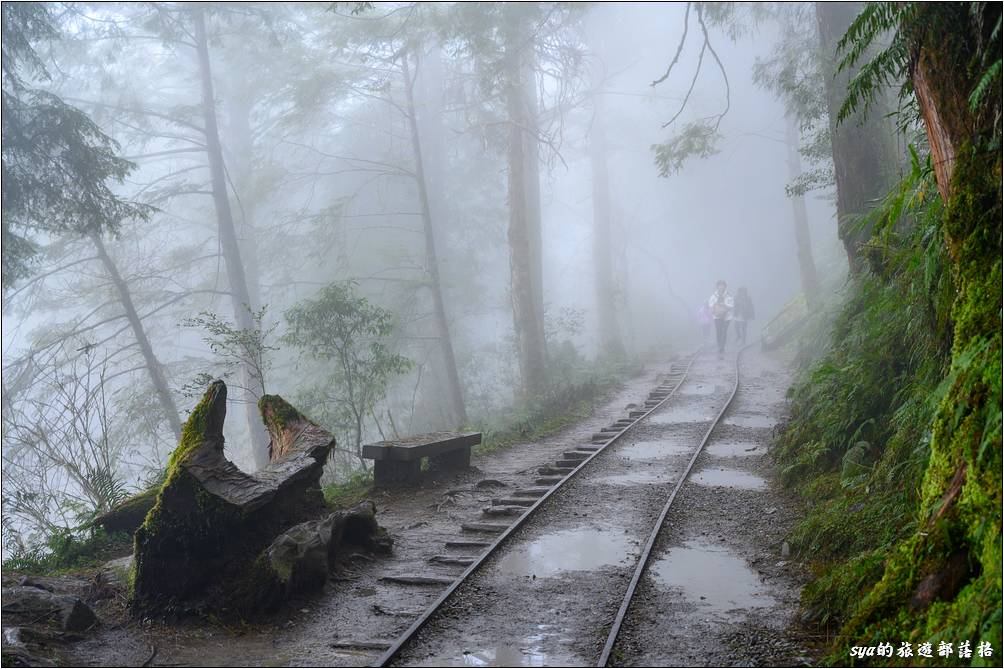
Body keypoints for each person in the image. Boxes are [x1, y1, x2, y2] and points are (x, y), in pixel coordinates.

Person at [708, 280, 733, 355]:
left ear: (725, 286)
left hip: (727, 317)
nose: (721, 287)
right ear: (717, 286)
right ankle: (719, 345)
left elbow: (731, 305)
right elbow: (710, 304)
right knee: (718, 331)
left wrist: (724, 307)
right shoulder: (713, 296)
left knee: (724, 331)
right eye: (720, 285)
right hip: (716, 316)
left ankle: (722, 346)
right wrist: (714, 308)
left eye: (723, 285)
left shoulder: (729, 295)